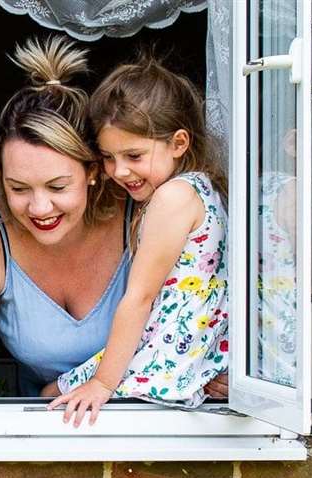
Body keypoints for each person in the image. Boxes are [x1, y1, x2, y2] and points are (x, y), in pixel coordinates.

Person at [46, 57, 229, 425]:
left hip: (167, 353)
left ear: (178, 143)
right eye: (109, 158)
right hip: (189, 348)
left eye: (133, 155)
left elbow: (140, 296)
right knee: (51, 395)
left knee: (50, 397)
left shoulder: (173, 197)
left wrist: (102, 382)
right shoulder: (200, 188)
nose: (119, 171)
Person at [0, 35, 133, 399]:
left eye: (57, 187)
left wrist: (60, 387)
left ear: (93, 171)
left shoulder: (138, 218)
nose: (39, 209)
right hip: (41, 436)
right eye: (18, 189)